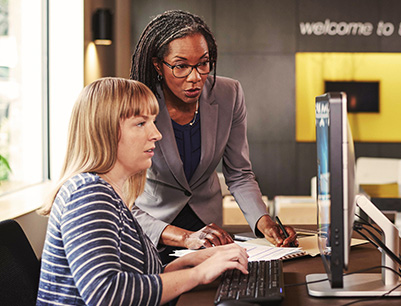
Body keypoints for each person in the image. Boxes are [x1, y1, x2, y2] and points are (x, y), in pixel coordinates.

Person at [36, 78, 249, 305]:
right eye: (141, 123)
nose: (157, 134)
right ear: (104, 131)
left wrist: (187, 263)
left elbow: (132, 276)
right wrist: (198, 274)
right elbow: (106, 294)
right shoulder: (88, 195)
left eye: (154, 122)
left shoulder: (110, 194)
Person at [130, 10, 297, 262]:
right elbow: (122, 195)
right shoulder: (136, 103)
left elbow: (239, 174)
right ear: (158, 65)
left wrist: (264, 223)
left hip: (209, 230)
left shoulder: (229, 94)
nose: (195, 77)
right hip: (153, 229)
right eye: (181, 66)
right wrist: (182, 236)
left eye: (203, 63)